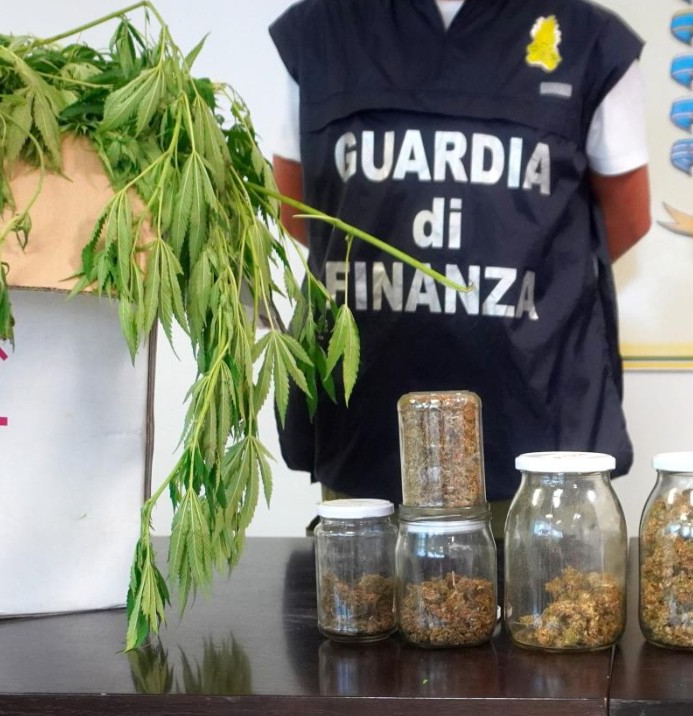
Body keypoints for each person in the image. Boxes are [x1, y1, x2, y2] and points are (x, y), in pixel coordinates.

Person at [269, 0, 652, 528]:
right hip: (367, 419)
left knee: (543, 579)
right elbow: (299, 213)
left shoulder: (590, 40)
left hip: (537, 436)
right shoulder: (320, 32)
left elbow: (625, 221)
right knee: (363, 579)